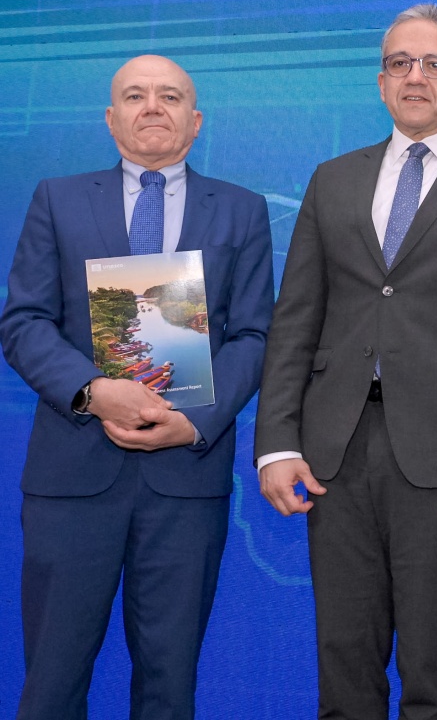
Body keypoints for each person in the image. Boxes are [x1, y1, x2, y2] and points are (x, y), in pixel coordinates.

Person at [254, 3, 437, 718]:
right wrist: (276, 443)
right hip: (335, 450)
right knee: (345, 669)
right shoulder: (333, 179)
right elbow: (296, 316)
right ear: (381, 82)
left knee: (432, 674)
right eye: (399, 63)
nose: (415, 76)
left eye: (434, 64)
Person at [0, 55, 274, 719]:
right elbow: (23, 320)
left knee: (169, 683)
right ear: (111, 117)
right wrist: (94, 390)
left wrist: (196, 421)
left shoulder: (241, 210)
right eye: (135, 95)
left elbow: (256, 335)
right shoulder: (57, 199)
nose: (154, 106)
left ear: (196, 119)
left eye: (171, 95)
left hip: (186, 479)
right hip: (72, 480)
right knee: (52, 682)